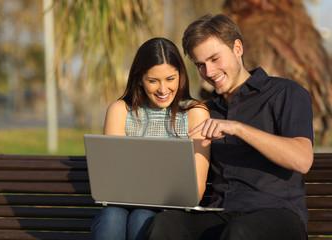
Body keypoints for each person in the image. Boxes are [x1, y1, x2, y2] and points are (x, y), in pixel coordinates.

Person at [143, 14, 314, 240]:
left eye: (215, 59)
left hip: (278, 214)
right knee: (165, 224)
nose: (209, 73)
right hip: (221, 213)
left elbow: (302, 159)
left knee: (239, 232)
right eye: (201, 65)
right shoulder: (205, 111)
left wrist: (237, 128)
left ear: (237, 48)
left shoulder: (285, 93)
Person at [90, 37, 211, 240]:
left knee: (142, 217)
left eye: (170, 79)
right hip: (121, 205)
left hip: (168, 210)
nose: (163, 90)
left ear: (181, 76)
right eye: (153, 81)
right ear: (139, 79)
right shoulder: (120, 110)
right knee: (112, 216)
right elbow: (112, 180)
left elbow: (196, 189)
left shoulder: (195, 112)